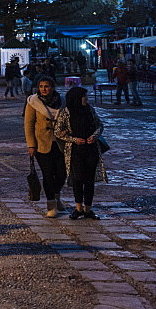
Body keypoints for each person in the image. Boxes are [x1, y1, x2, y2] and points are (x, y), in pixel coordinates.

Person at [55, 87, 108, 220]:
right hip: (75, 150)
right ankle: (78, 208)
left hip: (91, 149)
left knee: (89, 180)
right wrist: (73, 139)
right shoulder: (66, 112)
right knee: (78, 179)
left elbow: (99, 125)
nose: (86, 98)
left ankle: (88, 209)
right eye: (84, 96)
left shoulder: (89, 109)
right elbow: (57, 132)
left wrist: (94, 136)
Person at [25, 76, 68, 217]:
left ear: (53, 87)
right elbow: (29, 125)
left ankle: (57, 196)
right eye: (41, 86)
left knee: (62, 173)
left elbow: (68, 119)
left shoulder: (62, 101)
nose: (44, 89)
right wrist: (31, 145)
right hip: (42, 144)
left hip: (61, 143)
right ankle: (51, 205)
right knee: (48, 174)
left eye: (47, 86)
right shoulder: (33, 102)